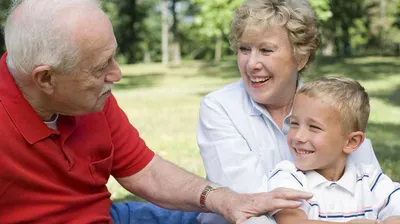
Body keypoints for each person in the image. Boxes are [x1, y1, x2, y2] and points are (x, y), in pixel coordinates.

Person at [0, 0, 314, 223]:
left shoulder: (91, 99)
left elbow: (146, 172)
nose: (116, 74)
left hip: (108, 215)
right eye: (100, 67)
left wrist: (227, 200)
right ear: (46, 78)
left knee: (213, 217)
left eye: (112, 57)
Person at [197, 0, 381, 223]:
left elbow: (372, 184)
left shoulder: (329, 106)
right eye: (244, 49)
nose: (251, 63)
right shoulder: (219, 107)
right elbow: (249, 209)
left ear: (300, 57)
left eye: (266, 50)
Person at [265, 77, 400, 224]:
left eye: (314, 127)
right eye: (294, 124)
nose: (298, 136)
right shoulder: (287, 176)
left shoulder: (371, 180)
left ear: (351, 142)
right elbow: (293, 222)